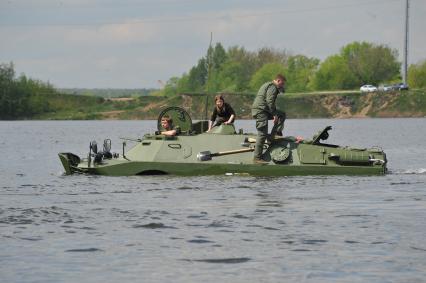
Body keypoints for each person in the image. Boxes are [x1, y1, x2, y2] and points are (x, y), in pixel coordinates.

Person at [251, 74, 287, 163]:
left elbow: (271, 101)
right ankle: (257, 158)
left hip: (263, 109)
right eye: (282, 84)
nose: (282, 85)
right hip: (261, 111)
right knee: (262, 134)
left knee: (282, 114)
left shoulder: (270, 85)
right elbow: (269, 101)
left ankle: (274, 135)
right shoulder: (272, 87)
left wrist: (276, 114)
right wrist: (274, 114)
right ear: (278, 81)